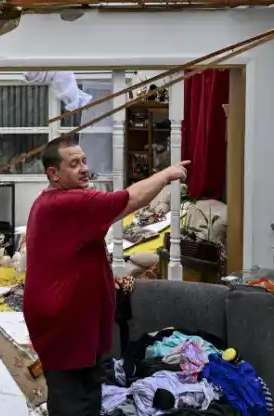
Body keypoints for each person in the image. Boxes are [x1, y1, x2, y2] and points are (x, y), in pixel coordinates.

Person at [23, 137, 190, 416]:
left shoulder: (59, 201)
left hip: (76, 321)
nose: (83, 168)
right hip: (64, 324)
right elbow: (131, 199)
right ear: (54, 174)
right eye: (73, 164)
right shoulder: (67, 203)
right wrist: (166, 175)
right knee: (72, 399)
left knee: (87, 393)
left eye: (84, 161)